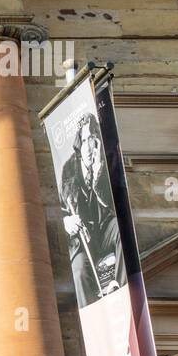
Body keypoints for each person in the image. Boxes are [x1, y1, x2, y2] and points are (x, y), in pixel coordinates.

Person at [60, 113, 122, 305]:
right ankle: (93, 316)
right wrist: (67, 221)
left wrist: (98, 176)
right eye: (85, 139)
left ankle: (119, 286)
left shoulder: (106, 163)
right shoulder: (68, 170)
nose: (88, 146)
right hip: (82, 240)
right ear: (79, 143)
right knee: (78, 271)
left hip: (104, 231)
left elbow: (114, 204)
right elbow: (62, 209)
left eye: (93, 139)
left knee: (121, 229)